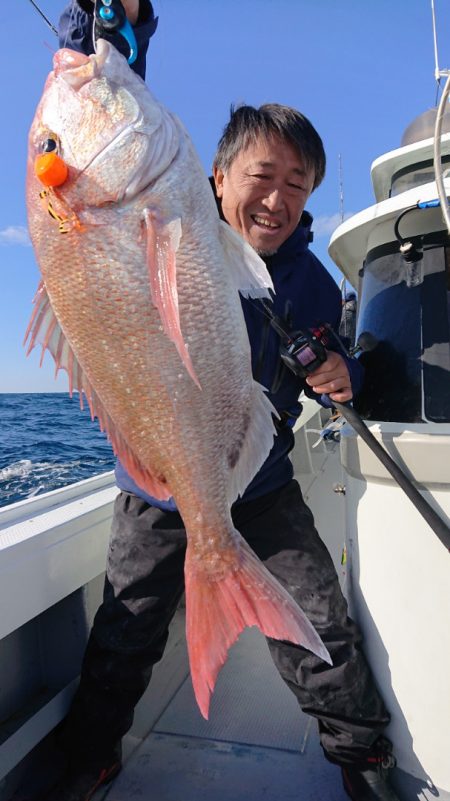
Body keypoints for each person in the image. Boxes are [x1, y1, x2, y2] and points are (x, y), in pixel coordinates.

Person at [41, 3, 401, 800]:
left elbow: (350, 356)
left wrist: (345, 370)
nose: (277, 200)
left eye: (297, 185)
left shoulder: (315, 283)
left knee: (320, 625)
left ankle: (362, 756)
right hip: (158, 485)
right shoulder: (171, 219)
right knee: (125, 629)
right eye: (260, 178)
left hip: (262, 482)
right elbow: (108, 109)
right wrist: (110, 24)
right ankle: (89, 757)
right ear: (214, 177)